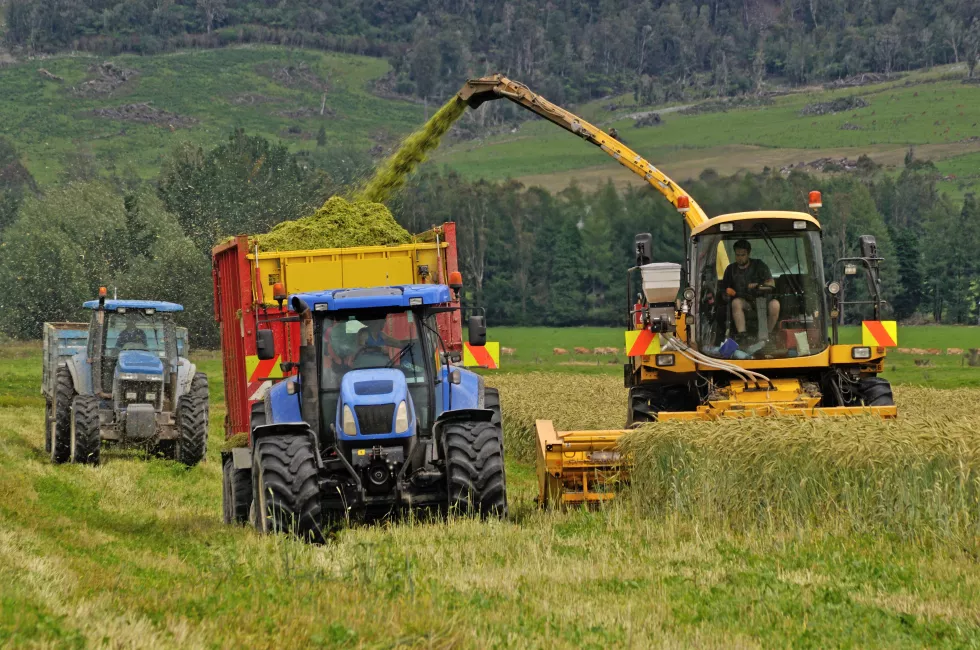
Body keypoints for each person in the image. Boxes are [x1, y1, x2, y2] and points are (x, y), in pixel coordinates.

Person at [721, 239, 780, 344]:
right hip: (745, 302)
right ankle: (742, 336)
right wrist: (727, 293)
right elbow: (724, 289)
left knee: (775, 305)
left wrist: (758, 285)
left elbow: (771, 284)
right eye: (737, 255)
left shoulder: (759, 265)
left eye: (743, 255)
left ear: (748, 254)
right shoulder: (730, 269)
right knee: (736, 303)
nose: (740, 258)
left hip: (763, 300)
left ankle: (767, 335)